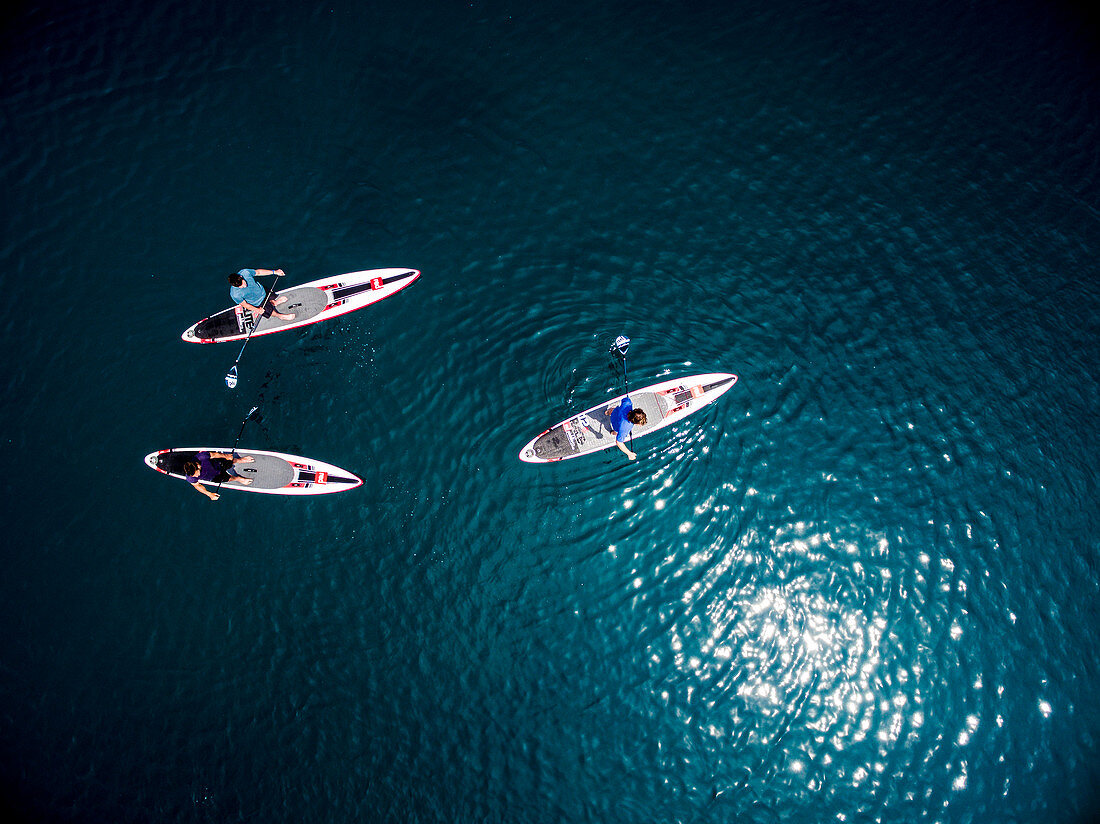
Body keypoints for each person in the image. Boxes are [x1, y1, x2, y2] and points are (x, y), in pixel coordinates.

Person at [228, 268, 295, 322]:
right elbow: (245, 304)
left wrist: (275, 272)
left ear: (241, 276)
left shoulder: (245, 272)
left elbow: (259, 272)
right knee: (268, 311)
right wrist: (257, 310)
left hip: (262, 290)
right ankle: (280, 316)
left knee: (271, 297)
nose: (244, 286)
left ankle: (275, 302)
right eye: (240, 287)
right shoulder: (235, 294)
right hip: (257, 302)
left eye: (243, 283)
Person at [183, 451, 255, 501]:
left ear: (198, 465)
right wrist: (209, 494)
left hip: (218, 464)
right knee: (228, 479)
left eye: (196, 473)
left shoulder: (202, 456)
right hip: (213, 476)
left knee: (229, 461)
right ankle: (238, 478)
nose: (196, 476)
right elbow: (197, 486)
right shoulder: (191, 477)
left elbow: (215, 455)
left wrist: (227, 456)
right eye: (195, 476)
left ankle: (240, 460)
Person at [604, 396, 647, 460]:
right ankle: (612, 432)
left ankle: (607, 412)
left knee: (612, 410)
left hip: (615, 412)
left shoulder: (628, 403)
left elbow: (624, 399)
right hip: (616, 425)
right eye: (639, 424)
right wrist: (629, 454)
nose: (640, 425)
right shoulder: (625, 428)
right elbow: (619, 442)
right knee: (616, 432)